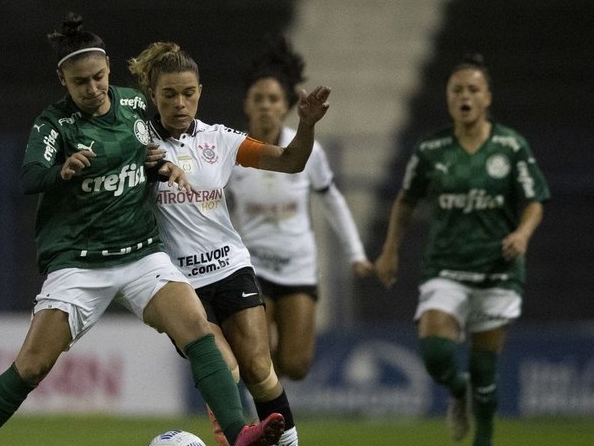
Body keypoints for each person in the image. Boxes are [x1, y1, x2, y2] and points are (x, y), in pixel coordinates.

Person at [0, 14, 285, 446]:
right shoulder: (54, 125)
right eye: (80, 83)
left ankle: (240, 433)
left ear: (109, 67)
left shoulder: (132, 106)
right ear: (63, 80)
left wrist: (162, 167)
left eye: (98, 77)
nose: (92, 89)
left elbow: (145, 155)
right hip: (81, 262)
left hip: (140, 254)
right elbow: (30, 176)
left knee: (198, 332)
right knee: (32, 366)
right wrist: (62, 170)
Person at [128, 41, 331, 446]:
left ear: (200, 91)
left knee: (259, 368)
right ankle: (237, 438)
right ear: (153, 95)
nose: (180, 103)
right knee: (224, 365)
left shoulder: (220, 140)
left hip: (230, 267)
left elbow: (291, 161)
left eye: (188, 93)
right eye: (169, 94)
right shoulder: (138, 143)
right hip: (177, 281)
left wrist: (306, 127)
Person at [372, 53, 550, 446]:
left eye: (473, 89)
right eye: (457, 90)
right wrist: (390, 251)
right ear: (448, 98)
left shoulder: (510, 146)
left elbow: (535, 199)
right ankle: (457, 387)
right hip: (446, 267)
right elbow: (406, 200)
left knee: (486, 372)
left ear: (487, 97)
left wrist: (522, 234)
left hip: (498, 270)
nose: (465, 96)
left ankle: (482, 437)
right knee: (435, 353)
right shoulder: (432, 149)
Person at [226, 35, 373, 380]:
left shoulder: (307, 151)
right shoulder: (230, 151)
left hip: (298, 268)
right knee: (254, 359)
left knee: (296, 365)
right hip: (251, 268)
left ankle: (268, 387)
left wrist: (355, 253)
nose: (265, 105)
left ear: (286, 105)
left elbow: (332, 198)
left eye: (273, 98)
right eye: (258, 98)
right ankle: (265, 418)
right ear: (246, 105)